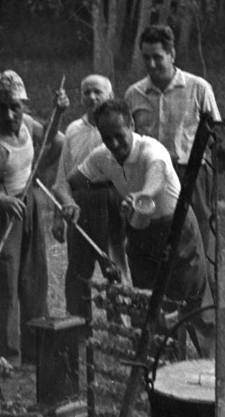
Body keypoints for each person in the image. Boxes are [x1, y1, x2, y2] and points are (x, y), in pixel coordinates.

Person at [57, 99, 215, 358]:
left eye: (120, 136)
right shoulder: (101, 157)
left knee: (191, 298)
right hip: (139, 231)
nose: (115, 144)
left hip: (175, 227)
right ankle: (153, 365)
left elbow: (153, 183)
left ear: (131, 124)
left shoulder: (152, 151)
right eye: (107, 138)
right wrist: (68, 202)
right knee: (145, 300)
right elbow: (65, 184)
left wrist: (140, 197)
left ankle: (211, 364)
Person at [0, 71, 63, 362]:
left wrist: (59, 113)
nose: (8, 113)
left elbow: (53, 141)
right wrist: (0, 200)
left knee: (33, 279)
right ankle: (6, 357)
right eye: (2, 106)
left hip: (26, 206)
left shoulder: (28, 126)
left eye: (14, 106)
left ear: (24, 106)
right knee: (4, 288)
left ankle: (35, 351)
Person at [126, 24, 220, 272]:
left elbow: (218, 140)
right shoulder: (133, 94)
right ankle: (161, 307)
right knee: (156, 246)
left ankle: (203, 308)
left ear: (172, 55)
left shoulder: (199, 88)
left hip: (192, 175)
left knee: (199, 246)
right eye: (146, 58)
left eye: (158, 57)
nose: (152, 64)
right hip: (151, 178)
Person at [51, 74, 129, 319]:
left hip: (113, 198)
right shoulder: (74, 129)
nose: (92, 97)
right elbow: (63, 175)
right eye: (87, 92)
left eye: (98, 92)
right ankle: (77, 326)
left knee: (115, 264)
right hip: (81, 201)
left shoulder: (120, 127)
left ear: (110, 95)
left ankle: (122, 322)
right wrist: (58, 215)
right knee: (78, 268)